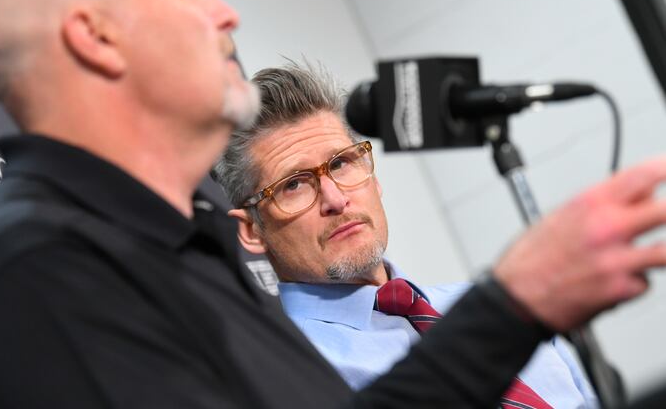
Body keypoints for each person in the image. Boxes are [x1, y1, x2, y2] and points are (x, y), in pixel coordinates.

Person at [0, 0, 666, 407]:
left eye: (345, 164)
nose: (226, 11)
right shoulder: (45, 268)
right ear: (95, 37)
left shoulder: (174, 257)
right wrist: (512, 307)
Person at [214, 63, 598, 407]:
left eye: (342, 163)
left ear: (373, 176)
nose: (335, 198)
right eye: (294, 185)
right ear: (250, 230)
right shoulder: (282, 374)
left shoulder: (494, 306)